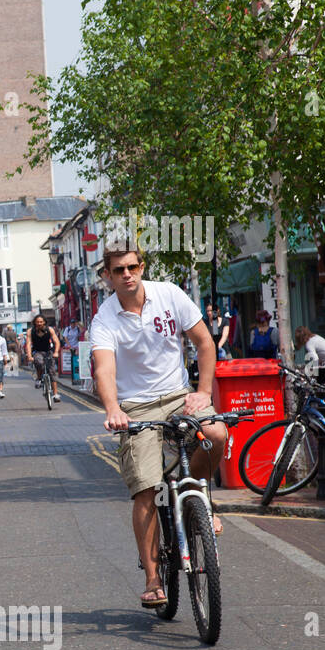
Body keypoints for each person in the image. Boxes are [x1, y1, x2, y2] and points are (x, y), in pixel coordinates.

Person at [90, 241, 227, 610]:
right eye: (118, 270)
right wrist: (113, 408)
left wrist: (201, 391)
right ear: (108, 276)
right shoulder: (104, 319)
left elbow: (204, 342)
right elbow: (104, 368)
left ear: (142, 266)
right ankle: (153, 578)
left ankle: (195, 496)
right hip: (136, 407)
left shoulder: (169, 294)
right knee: (146, 490)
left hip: (180, 396)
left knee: (216, 433)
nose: (127, 275)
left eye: (132, 267)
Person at [26, 314, 62, 402]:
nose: (39, 323)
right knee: (39, 363)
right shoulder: (31, 331)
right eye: (37, 322)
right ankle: (38, 378)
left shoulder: (50, 330)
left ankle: (55, 394)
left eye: (41, 322)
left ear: (44, 322)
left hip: (48, 352)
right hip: (37, 352)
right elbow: (28, 344)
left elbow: (56, 341)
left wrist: (56, 352)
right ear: (34, 322)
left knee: (52, 372)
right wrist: (29, 356)